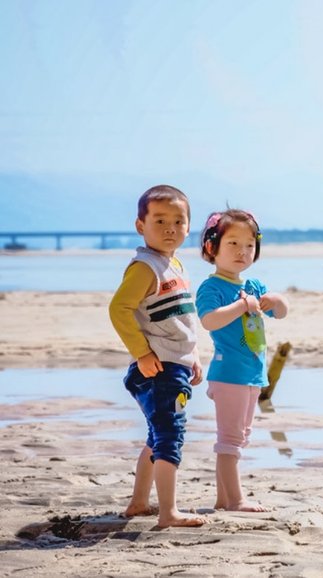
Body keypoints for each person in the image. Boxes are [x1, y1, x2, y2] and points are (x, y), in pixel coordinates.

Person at [109, 184, 206, 528]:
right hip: (159, 369)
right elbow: (119, 309)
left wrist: (193, 353)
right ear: (141, 225)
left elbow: (182, 318)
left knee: (157, 435)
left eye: (178, 221)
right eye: (160, 220)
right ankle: (168, 513)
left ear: (188, 226)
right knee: (170, 437)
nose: (170, 228)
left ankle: (138, 503)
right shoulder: (145, 267)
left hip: (174, 366)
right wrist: (142, 353)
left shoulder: (174, 264)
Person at [195, 209, 289, 512]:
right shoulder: (212, 288)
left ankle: (223, 499)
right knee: (231, 439)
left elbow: (281, 312)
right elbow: (209, 320)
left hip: (252, 375)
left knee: (241, 436)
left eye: (249, 245)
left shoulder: (253, 285)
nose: (242, 252)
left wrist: (275, 300)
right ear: (212, 248)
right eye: (233, 244)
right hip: (229, 374)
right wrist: (240, 305)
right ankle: (236, 500)